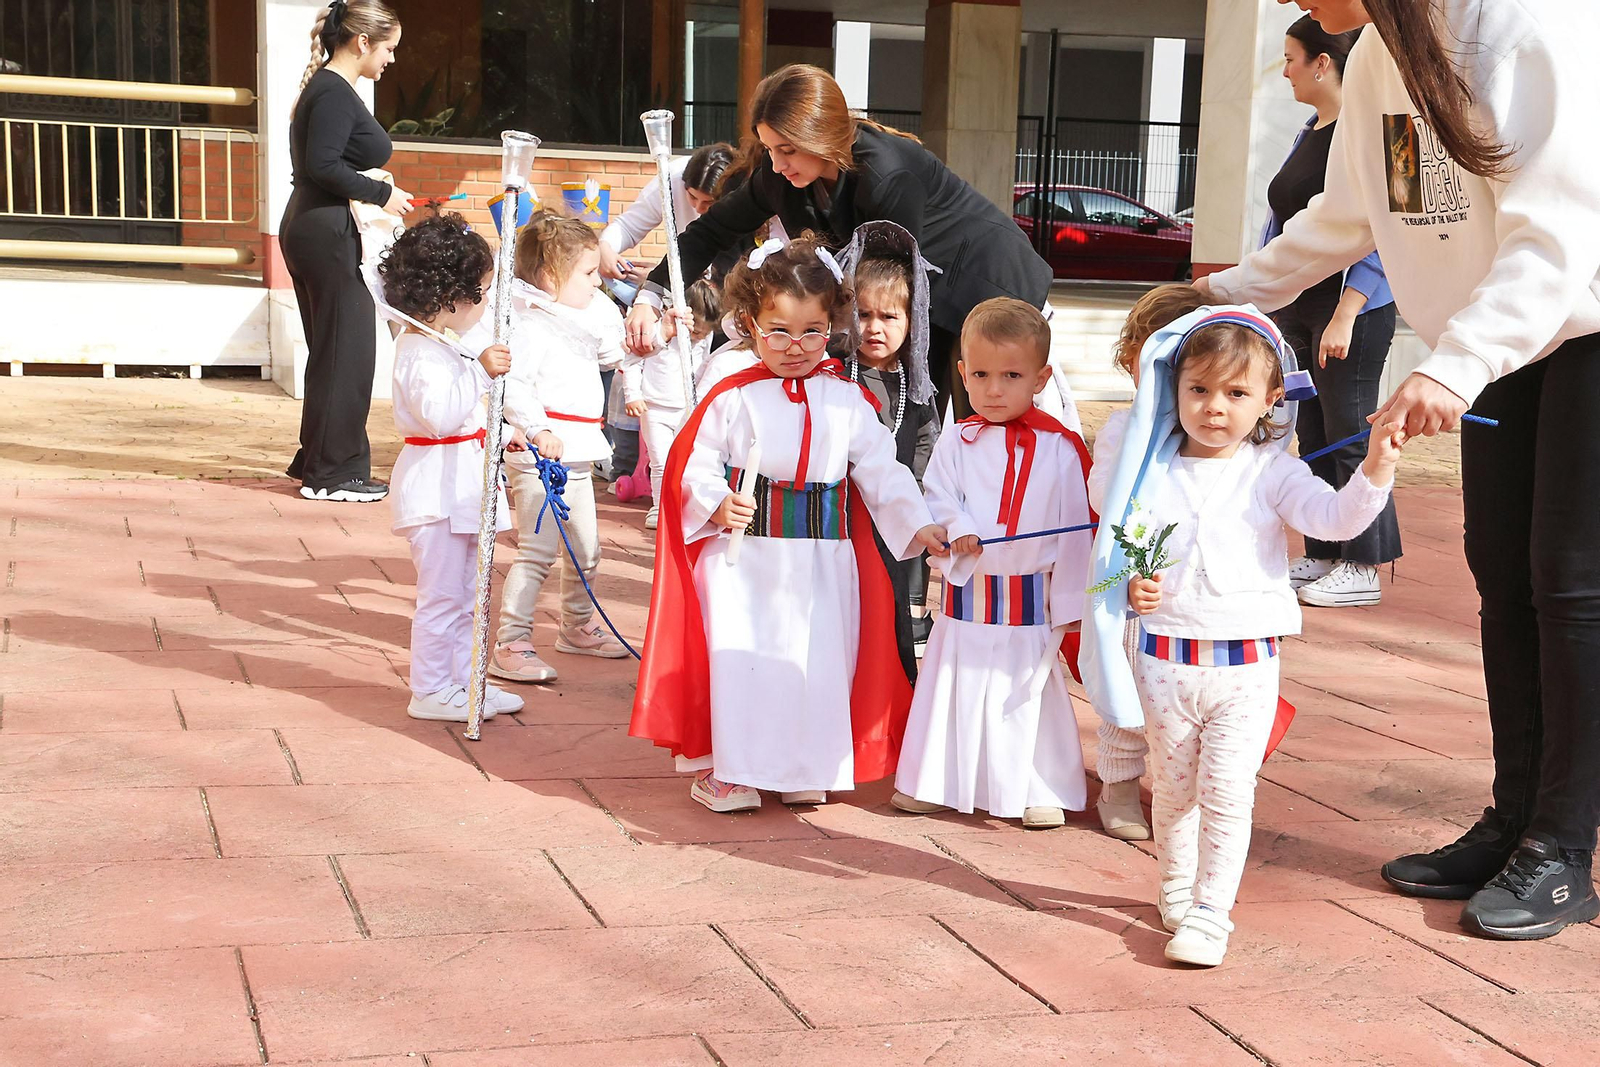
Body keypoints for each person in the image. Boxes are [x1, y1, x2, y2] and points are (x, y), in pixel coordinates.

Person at [1200, 0, 1600, 941]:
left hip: (1584, 328)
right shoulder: (1381, 53)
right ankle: (1512, 823)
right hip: (1503, 344)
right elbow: (1348, 215)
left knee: (1572, 586)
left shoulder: (1524, 28)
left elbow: (1559, 237)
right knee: (1502, 580)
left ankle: (1564, 846)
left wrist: (1450, 364)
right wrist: (1216, 294)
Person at [1094, 306, 1405, 966]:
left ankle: (1212, 912)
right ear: (1171, 390)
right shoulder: (1148, 469)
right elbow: (1116, 554)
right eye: (1198, 389)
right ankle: (1176, 887)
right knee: (1174, 793)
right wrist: (1130, 585)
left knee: (1228, 793)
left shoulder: (1273, 472)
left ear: (1269, 398)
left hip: (1245, 668)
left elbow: (1336, 515)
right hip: (1163, 661)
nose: (1213, 407)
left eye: (1236, 393)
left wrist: (1376, 465)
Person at [628, 233, 948, 813]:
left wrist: (920, 524)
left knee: (817, 665)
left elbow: (881, 467)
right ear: (750, 322)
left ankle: (806, 766)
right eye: (780, 330)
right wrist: (718, 499)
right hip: (744, 561)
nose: (795, 346)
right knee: (743, 663)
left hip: (824, 562)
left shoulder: (846, 399)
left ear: (832, 327)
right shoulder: (729, 395)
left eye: (812, 332)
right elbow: (692, 463)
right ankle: (736, 772)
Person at [622, 64, 1053, 418]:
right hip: (902, 297)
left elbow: (892, 281)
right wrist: (651, 294)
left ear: (820, 136)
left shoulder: (886, 172)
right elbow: (711, 230)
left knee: (973, 421)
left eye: (787, 149)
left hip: (984, 286)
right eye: (770, 148)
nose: (776, 163)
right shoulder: (778, 176)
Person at [891, 298, 1094, 829]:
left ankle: (1034, 786)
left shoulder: (1062, 448)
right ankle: (935, 779)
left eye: (1011, 375)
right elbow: (938, 496)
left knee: (1025, 695)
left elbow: (1078, 531)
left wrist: (1070, 606)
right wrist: (958, 531)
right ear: (961, 372)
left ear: (1041, 377)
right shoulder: (956, 439)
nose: (994, 389)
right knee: (952, 687)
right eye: (980, 374)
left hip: (1030, 606)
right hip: (968, 601)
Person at [1267, 16, 1400, 607]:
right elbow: (1282, 225)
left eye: (1293, 56)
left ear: (1325, 63)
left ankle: (1365, 564)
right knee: (1313, 429)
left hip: (1352, 306)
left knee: (1352, 430)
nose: (1286, 68)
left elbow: (1387, 232)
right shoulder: (1308, 130)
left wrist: (1349, 308)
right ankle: (1324, 547)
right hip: (1303, 303)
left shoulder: (1375, 128)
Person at [378, 214, 526, 723]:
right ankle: (431, 687)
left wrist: (510, 435)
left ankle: (464, 683)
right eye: (481, 293)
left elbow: (466, 418)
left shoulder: (445, 344)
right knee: (443, 597)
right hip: (435, 491)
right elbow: (440, 418)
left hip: (463, 484)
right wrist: (481, 372)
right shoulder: (418, 350)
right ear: (448, 297)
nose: (485, 303)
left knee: (469, 594)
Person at [482, 212, 629, 687]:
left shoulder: (582, 316)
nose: (595, 281)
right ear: (549, 277)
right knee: (538, 551)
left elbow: (616, 354)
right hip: (539, 454)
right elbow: (516, 384)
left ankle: (576, 624)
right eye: (587, 273)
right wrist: (537, 426)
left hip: (579, 453)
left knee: (586, 549)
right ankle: (512, 640)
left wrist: (660, 333)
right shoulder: (528, 322)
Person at [1086, 283, 1207, 842]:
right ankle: (1118, 784)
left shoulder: (1217, 437)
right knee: (1127, 676)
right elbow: (1105, 497)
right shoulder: (1122, 429)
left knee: (1189, 692)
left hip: (1197, 585)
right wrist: (1136, 561)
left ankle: (1189, 787)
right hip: (1134, 577)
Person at [281, 0, 410, 502]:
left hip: (314, 225)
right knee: (348, 353)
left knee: (333, 351)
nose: (391, 60)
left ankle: (320, 460)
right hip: (326, 230)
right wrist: (382, 193)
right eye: (389, 48)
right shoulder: (334, 92)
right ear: (362, 42)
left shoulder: (329, 89)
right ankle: (334, 475)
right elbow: (323, 164)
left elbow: (324, 165)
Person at [839, 221, 942, 681]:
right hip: (842, 520)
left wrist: (917, 500)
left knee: (898, 615)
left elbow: (926, 445)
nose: (874, 328)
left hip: (899, 524)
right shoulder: (836, 378)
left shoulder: (916, 387)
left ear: (912, 319)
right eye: (863, 315)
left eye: (889, 317)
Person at [621, 278, 721, 531]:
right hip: (654, 408)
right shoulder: (659, 331)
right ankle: (659, 505)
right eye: (696, 330)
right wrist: (633, 395)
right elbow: (633, 361)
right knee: (660, 460)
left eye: (706, 333)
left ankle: (683, 504)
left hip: (686, 408)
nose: (700, 337)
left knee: (686, 461)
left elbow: (702, 369)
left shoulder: (703, 340)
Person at [599, 142, 734, 282]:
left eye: (708, 202)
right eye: (692, 197)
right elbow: (628, 226)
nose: (698, 208)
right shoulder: (670, 179)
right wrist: (604, 247)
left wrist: (664, 279)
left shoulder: (744, 193)